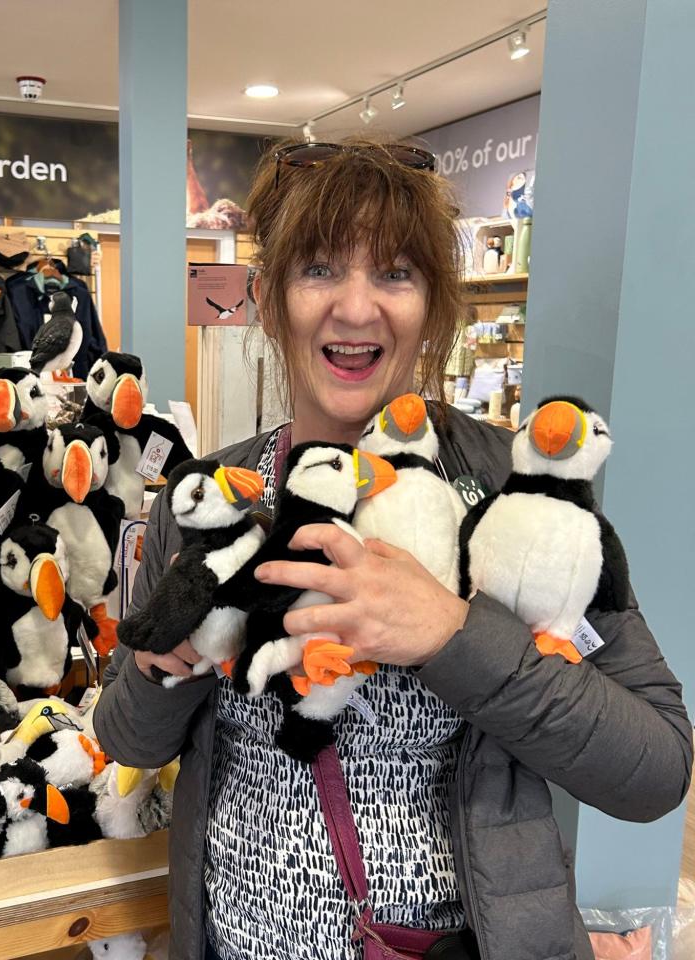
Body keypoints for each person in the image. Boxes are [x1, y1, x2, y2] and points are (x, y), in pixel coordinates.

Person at [93, 137, 692, 960]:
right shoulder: (211, 497)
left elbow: (656, 768)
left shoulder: (516, 492)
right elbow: (127, 736)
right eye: (320, 270)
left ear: (433, 304)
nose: (356, 307)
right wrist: (171, 661)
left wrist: (454, 634)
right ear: (269, 300)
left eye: (395, 273)